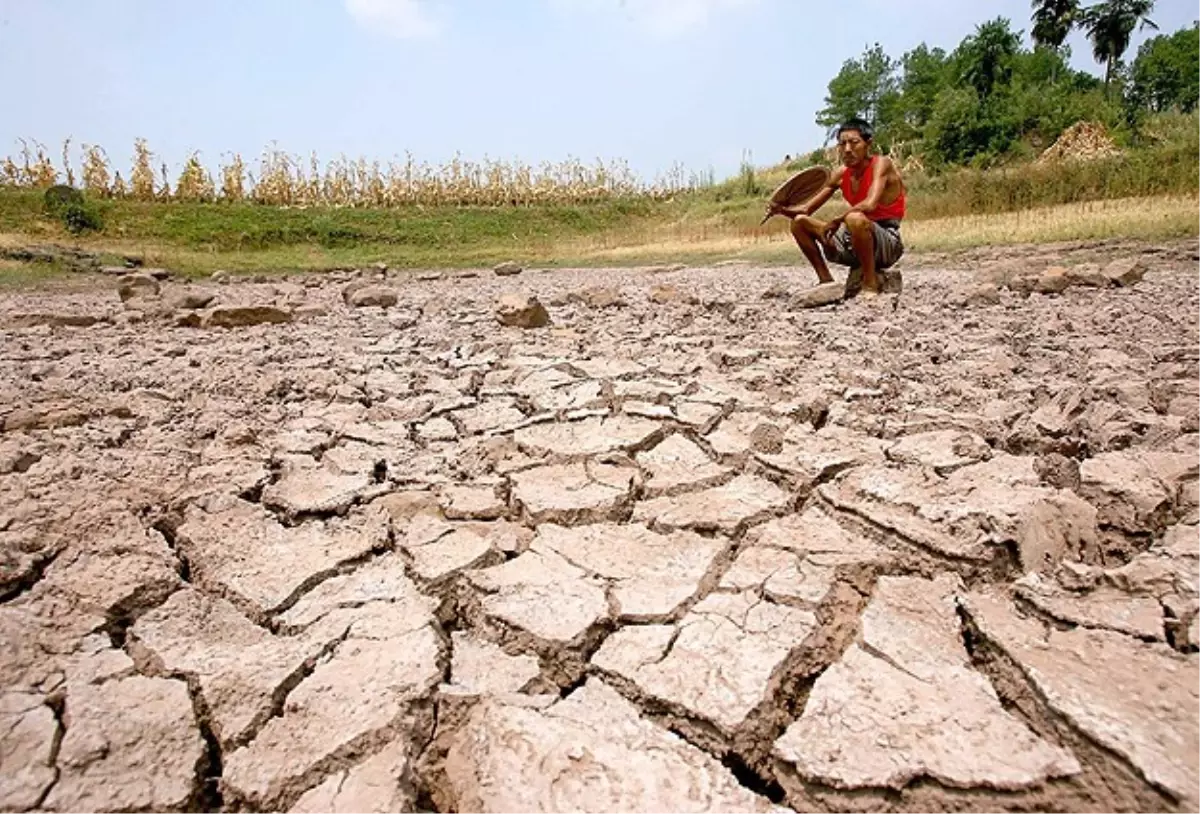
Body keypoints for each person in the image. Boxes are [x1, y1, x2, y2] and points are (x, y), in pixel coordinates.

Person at [767, 118, 906, 297]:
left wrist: (837, 221)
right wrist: (780, 210)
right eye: (842, 144)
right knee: (799, 222)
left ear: (867, 144)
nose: (847, 149)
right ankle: (826, 280)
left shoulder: (881, 164)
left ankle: (870, 284)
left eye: (854, 143)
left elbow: (870, 204)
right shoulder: (841, 174)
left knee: (854, 218)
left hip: (886, 242)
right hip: (852, 240)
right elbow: (806, 210)